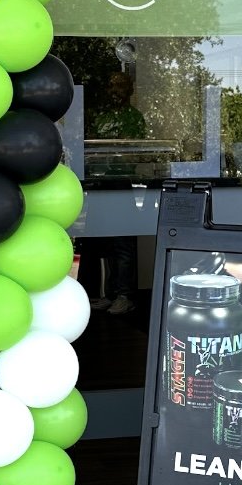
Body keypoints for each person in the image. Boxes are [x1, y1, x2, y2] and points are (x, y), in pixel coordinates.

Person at [87, 70, 148, 316]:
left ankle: (126, 295)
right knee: (104, 241)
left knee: (123, 244)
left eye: (120, 87)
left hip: (121, 184)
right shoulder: (101, 118)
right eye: (111, 87)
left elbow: (132, 151)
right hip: (100, 184)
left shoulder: (134, 118)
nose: (115, 91)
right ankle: (109, 293)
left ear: (129, 90)